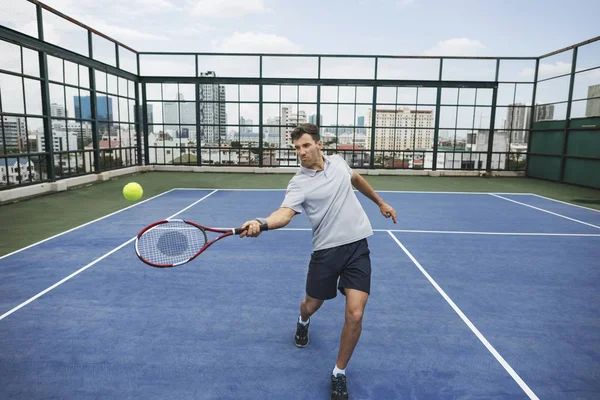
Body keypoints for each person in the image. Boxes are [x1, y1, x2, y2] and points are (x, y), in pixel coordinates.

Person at [239, 123, 397, 400]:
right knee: (312, 304)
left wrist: (380, 202)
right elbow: (285, 213)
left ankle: (339, 372)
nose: (301, 152)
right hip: (325, 253)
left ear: (319, 144)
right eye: (297, 148)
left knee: (356, 313)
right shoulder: (298, 183)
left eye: (306, 145)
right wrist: (261, 223)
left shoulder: (338, 163)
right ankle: (303, 320)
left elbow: (356, 178)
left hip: (357, 247)